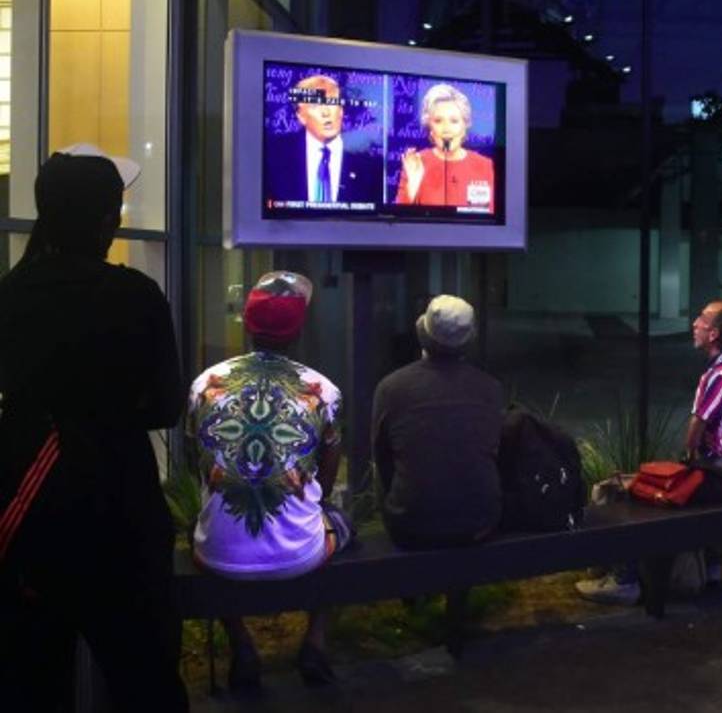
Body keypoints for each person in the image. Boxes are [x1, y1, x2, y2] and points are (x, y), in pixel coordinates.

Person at [0, 144, 188, 710]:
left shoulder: (10, 294)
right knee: (147, 680)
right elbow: (165, 408)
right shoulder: (134, 295)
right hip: (122, 510)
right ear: (107, 220)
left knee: (32, 684)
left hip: (32, 518)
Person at [189, 271, 353, 690]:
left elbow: (199, 462)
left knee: (215, 524)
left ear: (246, 324)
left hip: (216, 554)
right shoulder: (322, 391)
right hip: (300, 554)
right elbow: (327, 471)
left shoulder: (204, 384)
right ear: (298, 330)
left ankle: (241, 642)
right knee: (342, 525)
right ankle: (315, 641)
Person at [575, 300, 722, 604]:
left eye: (702, 320)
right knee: (692, 488)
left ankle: (624, 579)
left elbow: (695, 430)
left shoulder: (718, 374)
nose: (694, 324)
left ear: (715, 334)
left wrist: (689, 457)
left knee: (639, 493)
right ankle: (711, 566)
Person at [373, 294, 504, 548]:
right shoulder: (490, 388)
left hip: (409, 524)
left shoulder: (391, 389)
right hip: (480, 522)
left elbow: (382, 460)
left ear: (423, 333)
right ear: (470, 340)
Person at [265, 73, 383, 205]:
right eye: (315, 105)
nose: (326, 113)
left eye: (332, 103)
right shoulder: (273, 155)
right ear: (301, 116)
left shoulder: (370, 167)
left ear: (341, 110)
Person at [396, 83, 496, 211]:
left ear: (465, 126)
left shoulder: (486, 166)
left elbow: (491, 221)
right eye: (438, 121)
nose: (446, 129)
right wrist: (413, 186)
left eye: (454, 121)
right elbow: (399, 222)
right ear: (430, 127)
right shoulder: (417, 162)